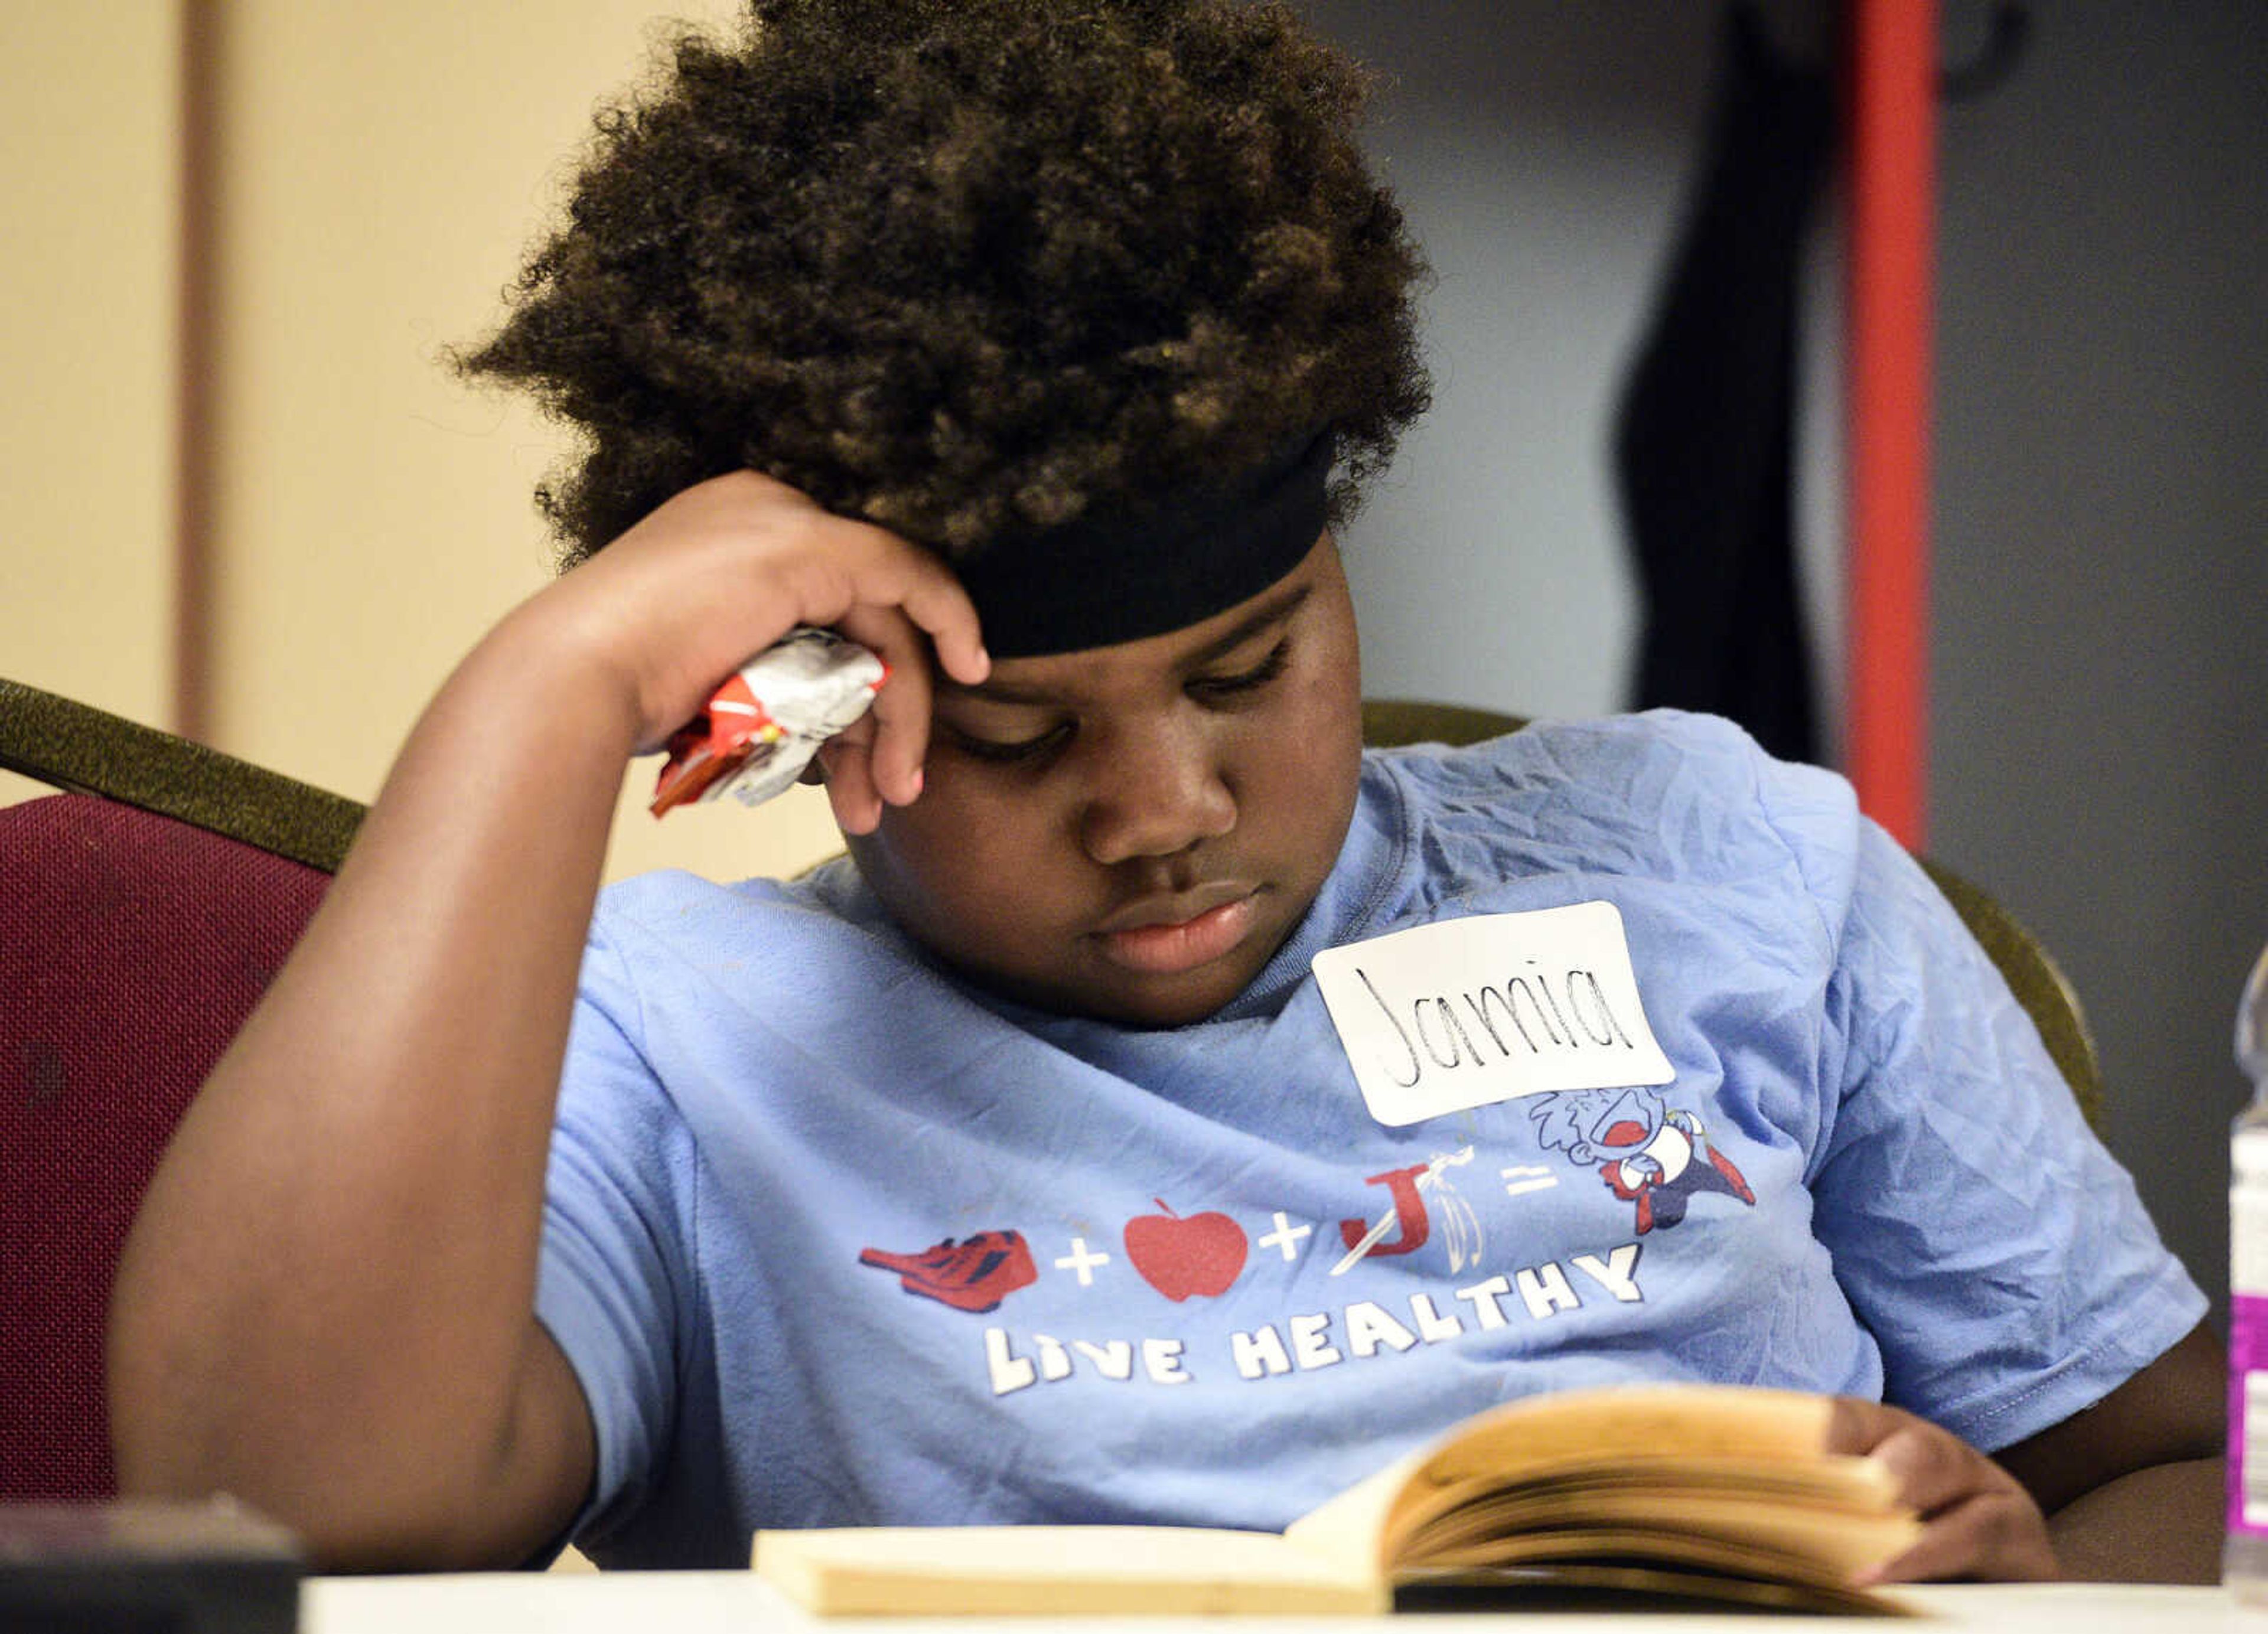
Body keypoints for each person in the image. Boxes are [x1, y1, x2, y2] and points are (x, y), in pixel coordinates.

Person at [109, 0, 2222, 1583]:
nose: (1162, 810)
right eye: (1020, 736)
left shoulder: (1728, 858)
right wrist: (548, 692)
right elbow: (278, 1525)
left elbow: (2168, 1472)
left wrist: (2024, 1597)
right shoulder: (673, 1038)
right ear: (816, 706)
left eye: (1250, 669)